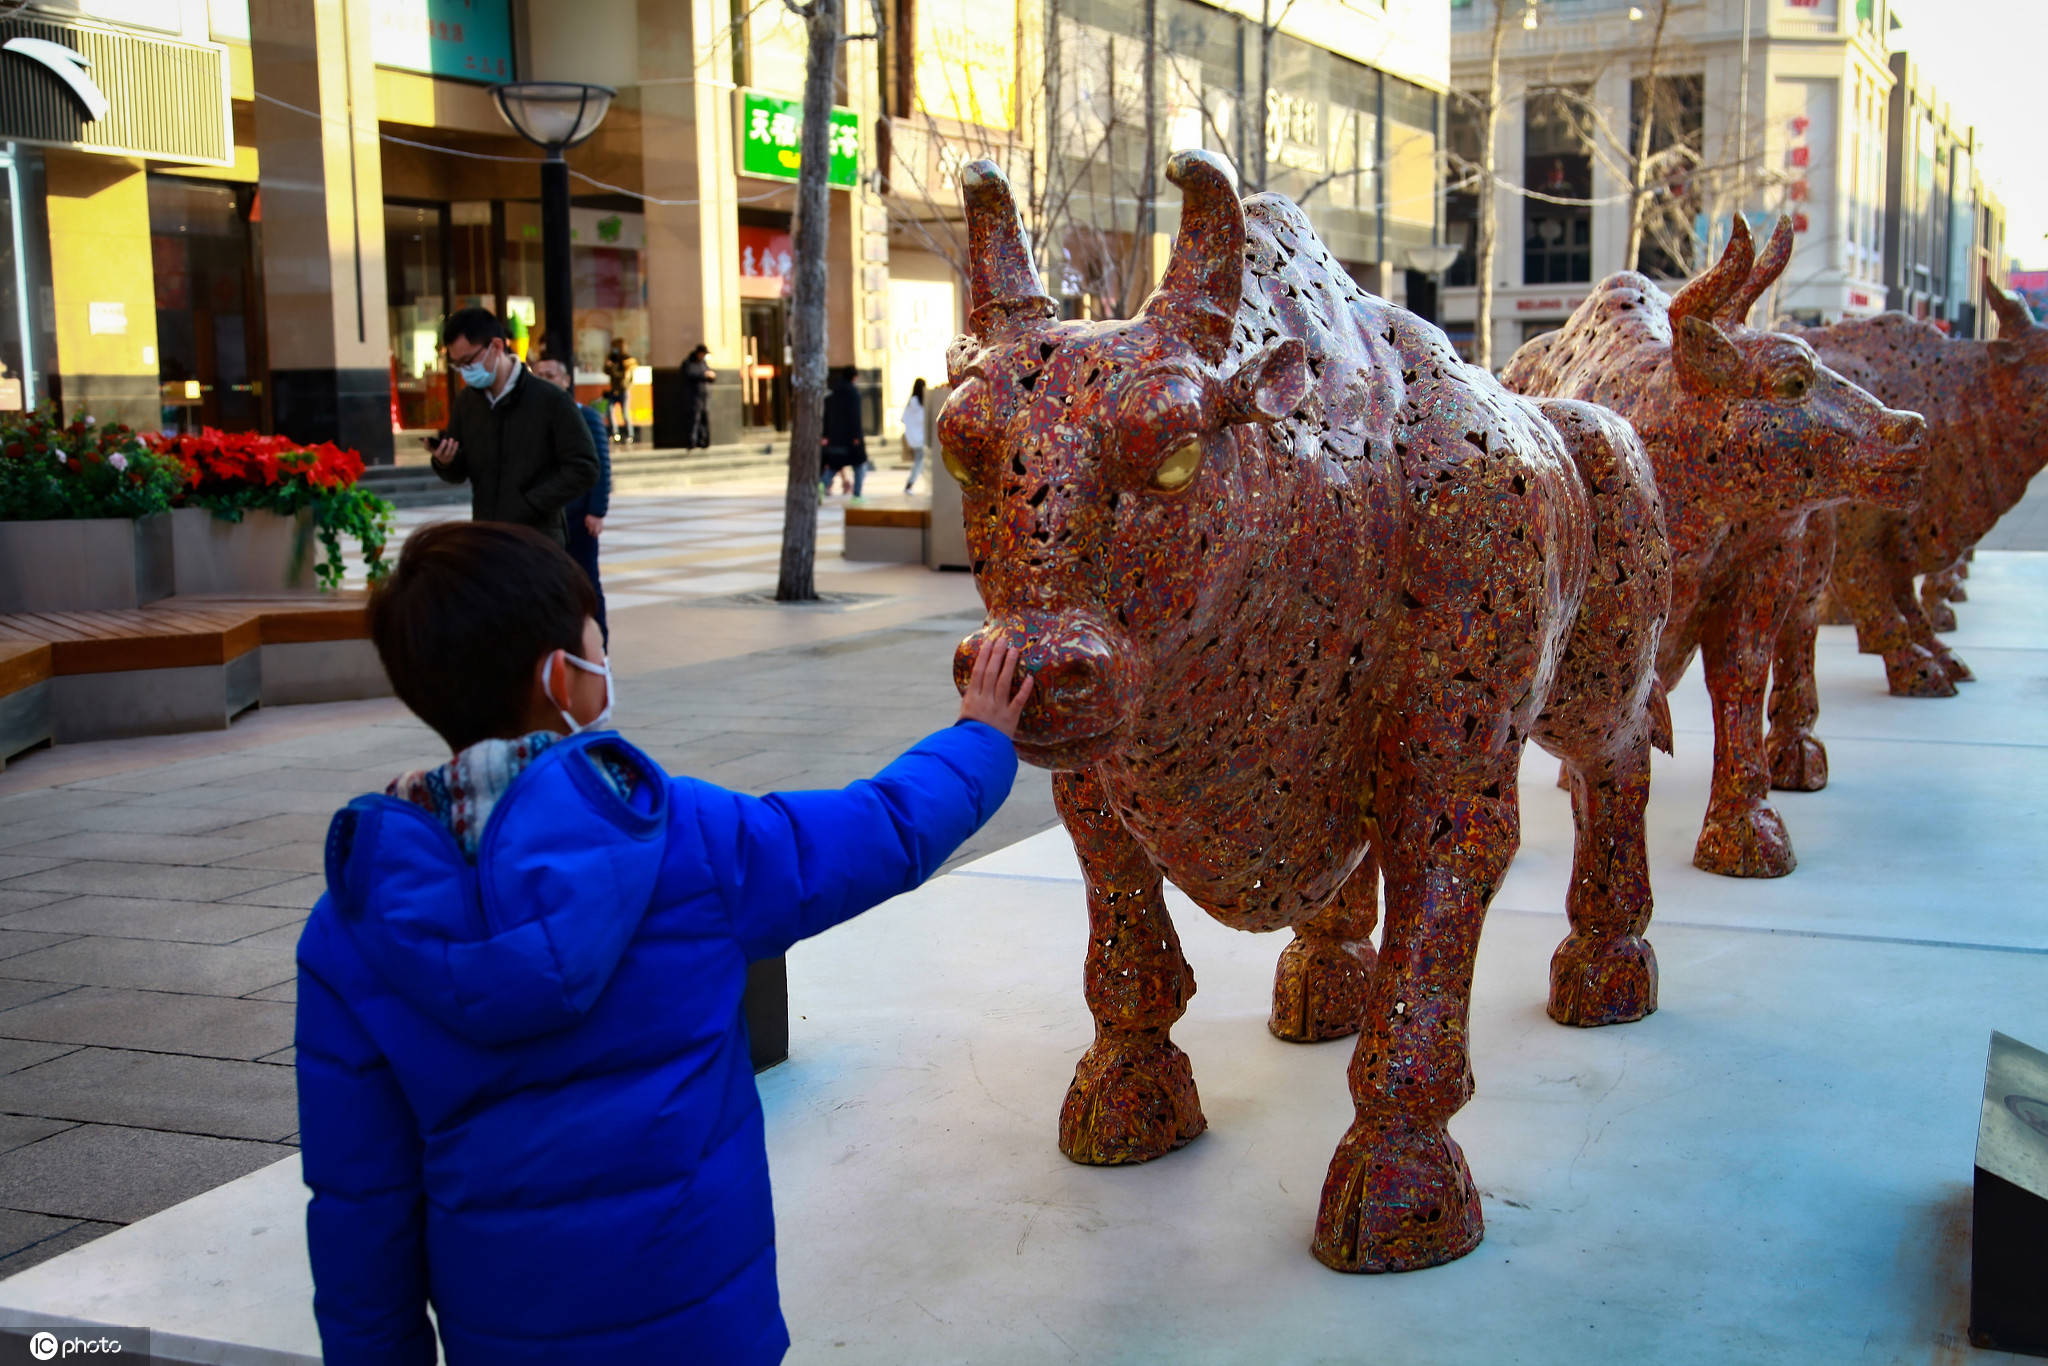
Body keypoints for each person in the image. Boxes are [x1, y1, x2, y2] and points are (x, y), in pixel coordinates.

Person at [297, 520, 1033, 1365]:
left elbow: (360, 1209)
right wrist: (980, 735)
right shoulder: (685, 839)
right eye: (595, 645)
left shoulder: (351, 927)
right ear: (559, 678)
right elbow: (881, 831)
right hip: (706, 1329)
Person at [429, 307, 597, 545]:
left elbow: (585, 467)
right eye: (457, 365)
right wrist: (445, 462)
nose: (465, 371)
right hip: (487, 537)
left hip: (538, 540)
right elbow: (461, 469)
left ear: (496, 346)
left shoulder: (550, 399)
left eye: (468, 361)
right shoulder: (467, 403)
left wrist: (531, 502)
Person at [531, 357, 612, 647]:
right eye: (538, 375)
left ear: (565, 381)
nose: (544, 379)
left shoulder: (585, 416)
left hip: (579, 517)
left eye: (550, 375)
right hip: (545, 519)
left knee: (586, 584)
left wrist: (596, 510)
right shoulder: (531, 420)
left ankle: (598, 651)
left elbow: (600, 465)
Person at [820, 366, 868, 498]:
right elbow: (855, 417)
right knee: (859, 467)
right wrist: (857, 437)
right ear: (854, 377)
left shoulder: (832, 395)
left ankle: (821, 486)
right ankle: (857, 494)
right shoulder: (853, 394)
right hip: (850, 439)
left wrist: (826, 435)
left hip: (835, 439)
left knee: (833, 467)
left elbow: (827, 417)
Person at [679, 343, 715, 449]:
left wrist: (711, 376)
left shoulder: (703, 363)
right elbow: (688, 375)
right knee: (695, 419)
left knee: (704, 418)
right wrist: (703, 375)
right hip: (693, 396)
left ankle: (703, 440)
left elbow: (709, 374)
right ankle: (692, 441)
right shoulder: (689, 363)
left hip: (704, 396)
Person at [603, 338, 637, 445]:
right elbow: (606, 371)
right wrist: (608, 365)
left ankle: (630, 434)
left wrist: (613, 367)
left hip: (623, 390)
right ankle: (615, 433)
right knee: (609, 410)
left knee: (625, 413)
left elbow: (624, 376)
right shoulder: (612, 358)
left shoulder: (628, 360)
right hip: (614, 390)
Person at [900, 377, 928, 494]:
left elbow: (904, 418)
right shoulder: (921, 403)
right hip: (921, 438)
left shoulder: (911, 402)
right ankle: (909, 485)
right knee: (919, 462)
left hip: (913, 437)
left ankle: (912, 483)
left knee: (921, 462)